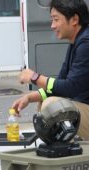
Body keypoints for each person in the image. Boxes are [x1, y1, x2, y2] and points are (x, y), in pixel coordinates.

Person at [12, 0, 89, 140]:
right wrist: (29, 98)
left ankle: (65, 151)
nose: (52, 26)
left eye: (56, 19)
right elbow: (59, 84)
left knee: (52, 106)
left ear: (74, 20)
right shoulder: (76, 42)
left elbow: (70, 88)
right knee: (45, 102)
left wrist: (34, 77)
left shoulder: (86, 44)